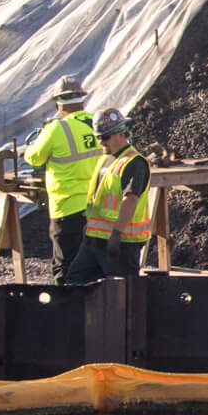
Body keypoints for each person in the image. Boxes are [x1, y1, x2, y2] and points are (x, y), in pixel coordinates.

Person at [23, 74, 102, 285]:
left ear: (59, 105)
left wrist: (42, 136)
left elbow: (33, 157)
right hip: (99, 207)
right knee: (95, 266)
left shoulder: (56, 129)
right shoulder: (99, 124)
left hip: (67, 208)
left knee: (66, 266)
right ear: (82, 101)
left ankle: (67, 312)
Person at [65, 108, 154, 286]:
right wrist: (88, 227)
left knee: (123, 291)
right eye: (98, 137)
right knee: (75, 281)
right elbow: (98, 198)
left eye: (104, 137)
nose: (100, 142)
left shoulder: (134, 162)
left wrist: (116, 234)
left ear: (121, 134)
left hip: (121, 244)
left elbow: (130, 200)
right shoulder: (106, 159)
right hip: (95, 239)